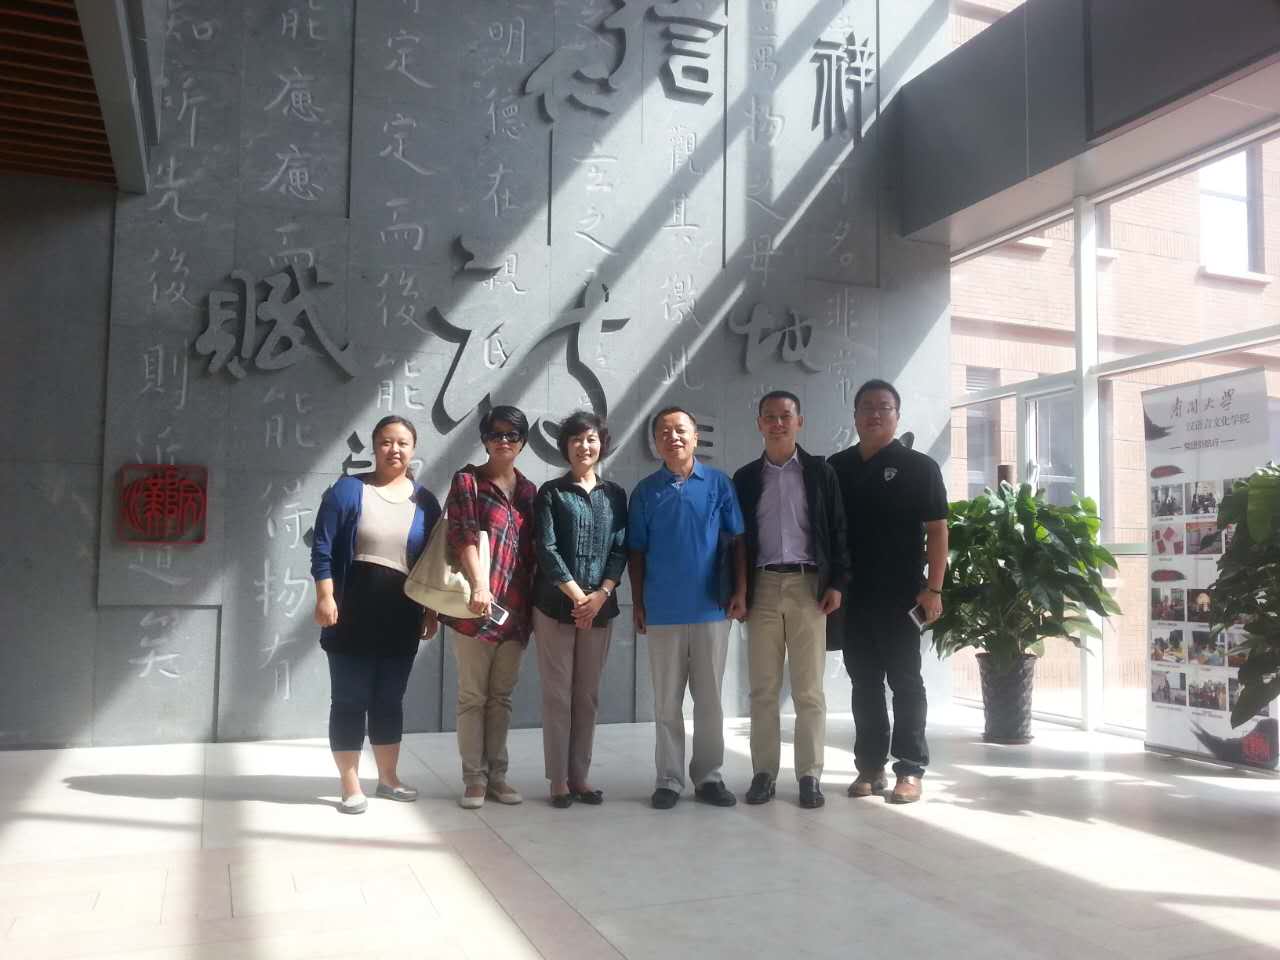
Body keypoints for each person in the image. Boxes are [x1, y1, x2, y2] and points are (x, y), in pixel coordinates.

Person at [311, 415, 442, 814]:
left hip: (401, 616)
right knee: (349, 699)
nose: (394, 449)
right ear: (374, 446)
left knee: (389, 700)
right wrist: (325, 596)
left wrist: (431, 611)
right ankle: (350, 783)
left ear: (413, 449)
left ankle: (388, 778)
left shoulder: (425, 502)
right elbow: (322, 547)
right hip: (350, 614)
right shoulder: (348, 491)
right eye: (386, 441)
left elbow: (433, 562)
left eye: (402, 442)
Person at [828, 379, 948, 804]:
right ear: (855, 415)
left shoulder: (920, 467)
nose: (874, 414)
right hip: (852, 596)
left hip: (902, 596)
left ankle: (910, 768)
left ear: (897, 416)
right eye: (866, 407)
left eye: (884, 407)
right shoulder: (836, 467)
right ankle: (870, 766)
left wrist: (934, 588)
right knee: (864, 683)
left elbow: (938, 531)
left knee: (906, 682)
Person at [732, 391, 849, 809]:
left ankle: (809, 775)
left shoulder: (820, 472)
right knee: (762, 689)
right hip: (762, 586)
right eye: (770, 416)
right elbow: (736, 540)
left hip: (809, 586)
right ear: (759, 424)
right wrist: (738, 591)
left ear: (800, 422)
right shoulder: (746, 478)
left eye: (786, 416)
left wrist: (837, 583)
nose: (778, 423)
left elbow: (838, 530)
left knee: (809, 690)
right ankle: (763, 772)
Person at [629, 406, 747, 810]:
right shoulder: (645, 492)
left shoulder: (718, 484)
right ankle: (668, 779)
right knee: (666, 702)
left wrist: (741, 591)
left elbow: (737, 541)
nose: (673, 437)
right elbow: (637, 552)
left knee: (710, 701)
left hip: (712, 609)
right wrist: (639, 602)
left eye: (681, 430)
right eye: (664, 432)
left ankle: (709, 777)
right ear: (655, 443)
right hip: (662, 610)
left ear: (696, 437)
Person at [431, 405, 538, 810]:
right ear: (484, 440)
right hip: (475, 606)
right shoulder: (468, 481)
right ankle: (473, 778)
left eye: (512, 434)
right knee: (473, 696)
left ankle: (498, 777)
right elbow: (462, 535)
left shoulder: (528, 491)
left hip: (516, 609)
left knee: (501, 697)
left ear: (522, 441)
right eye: (496, 434)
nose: (503, 441)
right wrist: (480, 584)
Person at [532, 411, 628, 808]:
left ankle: (580, 777)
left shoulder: (615, 495)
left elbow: (620, 548)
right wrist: (577, 596)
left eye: (591, 439)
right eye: (576, 440)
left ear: (601, 444)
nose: (584, 446)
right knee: (558, 695)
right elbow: (546, 548)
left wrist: (601, 594)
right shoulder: (551, 493)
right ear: (565, 447)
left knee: (586, 696)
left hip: (600, 607)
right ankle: (558, 780)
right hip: (555, 605)